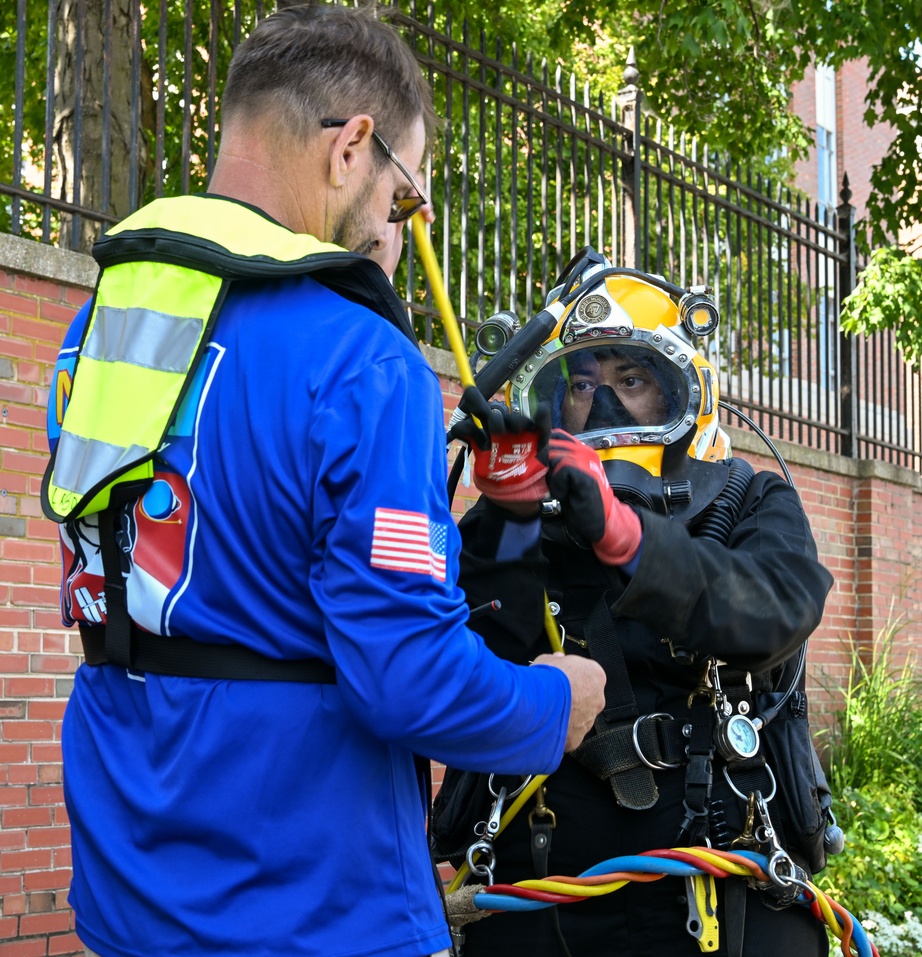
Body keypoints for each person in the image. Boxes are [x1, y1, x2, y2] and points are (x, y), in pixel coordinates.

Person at [41, 8, 605, 957]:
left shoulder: (103, 330)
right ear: (352, 148)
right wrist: (557, 703)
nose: (395, 233)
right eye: (404, 199)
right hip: (315, 914)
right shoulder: (360, 358)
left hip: (127, 897)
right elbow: (408, 680)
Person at [435, 249, 837, 957]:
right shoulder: (523, 516)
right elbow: (455, 656)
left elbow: (780, 606)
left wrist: (627, 537)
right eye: (586, 384)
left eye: (634, 379)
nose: (609, 404)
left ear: (683, 389)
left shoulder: (748, 498)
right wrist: (506, 519)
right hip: (540, 878)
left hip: (723, 876)